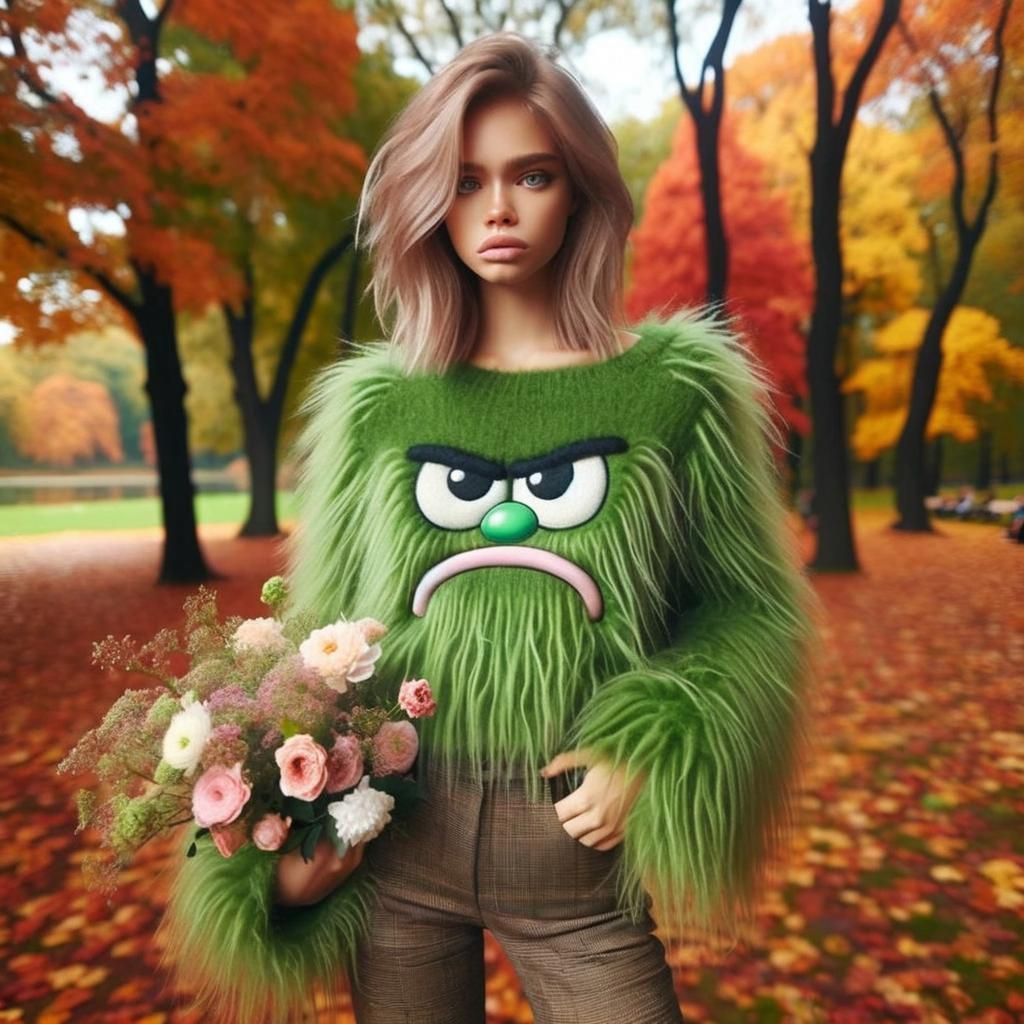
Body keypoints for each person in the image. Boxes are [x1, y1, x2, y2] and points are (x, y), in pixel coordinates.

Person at [159, 32, 815, 1023]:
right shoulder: (379, 404)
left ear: (581, 188)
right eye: (463, 181)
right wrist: (275, 844)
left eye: (531, 175)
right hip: (396, 835)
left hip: (574, 849)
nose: (497, 209)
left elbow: (748, 610)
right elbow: (321, 637)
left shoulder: (672, 388)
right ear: (429, 198)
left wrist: (658, 735)